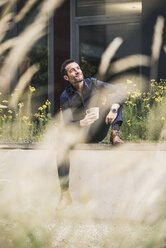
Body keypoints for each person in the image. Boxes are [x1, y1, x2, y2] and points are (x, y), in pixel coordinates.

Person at [56, 59, 126, 210]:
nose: (77, 71)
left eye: (78, 68)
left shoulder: (93, 83)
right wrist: (82, 123)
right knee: (62, 146)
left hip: (99, 129)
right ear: (67, 78)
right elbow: (67, 125)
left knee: (115, 101)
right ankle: (65, 194)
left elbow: (121, 91)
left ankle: (115, 133)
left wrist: (114, 107)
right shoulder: (65, 97)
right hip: (81, 135)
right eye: (72, 70)